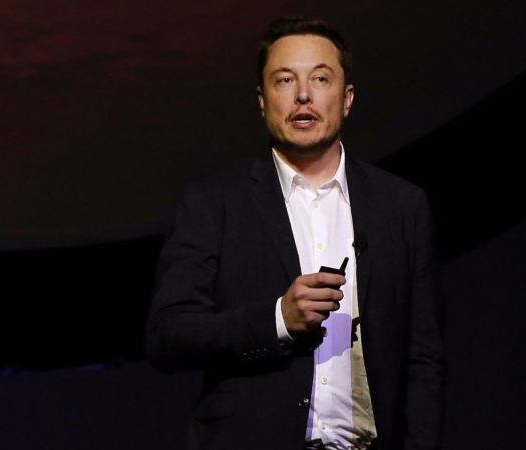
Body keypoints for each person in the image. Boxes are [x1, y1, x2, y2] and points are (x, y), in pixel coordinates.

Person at [146, 17, 444, 450]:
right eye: (285, 80)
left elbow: (423, 358)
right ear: (262, 100)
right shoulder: (214, 203)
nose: (303, 94)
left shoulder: (402, 206)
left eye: (320, 78)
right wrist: (278, 321)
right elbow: (168, 336)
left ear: (347, 99)